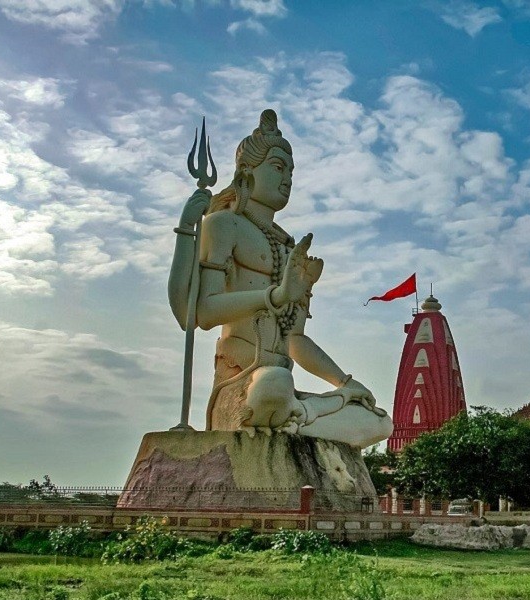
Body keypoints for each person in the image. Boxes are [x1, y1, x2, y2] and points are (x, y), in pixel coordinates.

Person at [168, 109, 392, 448]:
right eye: (277, 167)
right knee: (273, 385)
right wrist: (276, 295)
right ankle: (297, 417)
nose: (287, 178)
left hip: (283, 386)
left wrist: (344, 383)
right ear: (247, 172)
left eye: (290, 171)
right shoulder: (224, 225)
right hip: (241, 384)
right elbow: (202, 313)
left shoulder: (290, 249)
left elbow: (294, 340)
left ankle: (295, 417)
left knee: (379, 422)